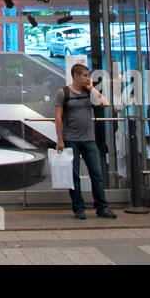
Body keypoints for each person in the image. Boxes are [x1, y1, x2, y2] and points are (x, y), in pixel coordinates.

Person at [53, 63, 117, 220]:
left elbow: (106, 103)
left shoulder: (90, 93)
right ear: (76, 76)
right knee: (74, 176)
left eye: (88, 75)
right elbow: (58, 117)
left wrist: (91, 88)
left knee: (96, 174)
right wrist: (60, 139)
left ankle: (102, 207)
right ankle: (79, 208)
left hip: (89, 139)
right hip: (71, 140)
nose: (88, 78)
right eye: (85, 76)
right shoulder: (64, 93)